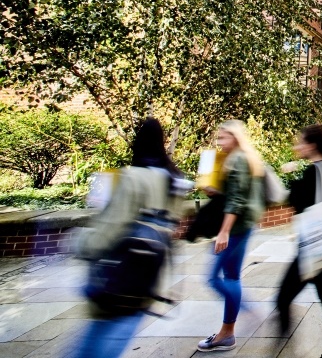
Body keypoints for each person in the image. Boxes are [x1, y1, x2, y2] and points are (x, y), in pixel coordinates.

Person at [74, 117, 188, 358]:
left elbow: (111, 226)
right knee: (121, 332)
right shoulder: (175, 180)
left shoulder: (132, 177)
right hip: (150, 275)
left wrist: (82, 244)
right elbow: (172, 227)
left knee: (95, 341)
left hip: (119, 272)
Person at [276, 125, 322, 358]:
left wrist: (289, 174)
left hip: (311, 248)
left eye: (301, 142)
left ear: (312, 145)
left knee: (283, 298)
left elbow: (297, 202)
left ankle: (282, 350)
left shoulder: (313, 171)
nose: (298, 146)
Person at [198, 120, 266, 352]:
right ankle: (227, 334)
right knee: (232, 278)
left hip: (235, 229)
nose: (220, 141)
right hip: (245, 225)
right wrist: (216, 191)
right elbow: (240, 194)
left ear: (235, 137)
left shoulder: (237, 159)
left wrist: (224, 232)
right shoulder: (247, 157)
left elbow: (236, 201)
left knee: (212, 278)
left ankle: (250, 310)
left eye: (223, 137)